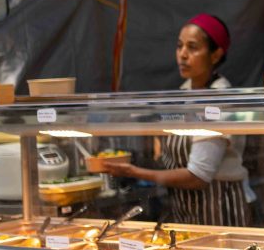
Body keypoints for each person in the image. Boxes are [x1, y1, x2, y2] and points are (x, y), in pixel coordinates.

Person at [101, 14, 252, 225]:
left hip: (220, 211)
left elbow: (198, 177)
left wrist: (136, 172)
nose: (182, 54)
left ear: (216, 54)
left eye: (192, 48)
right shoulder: (183, 95)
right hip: (185, 210)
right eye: (179, 46)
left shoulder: (218, 101)